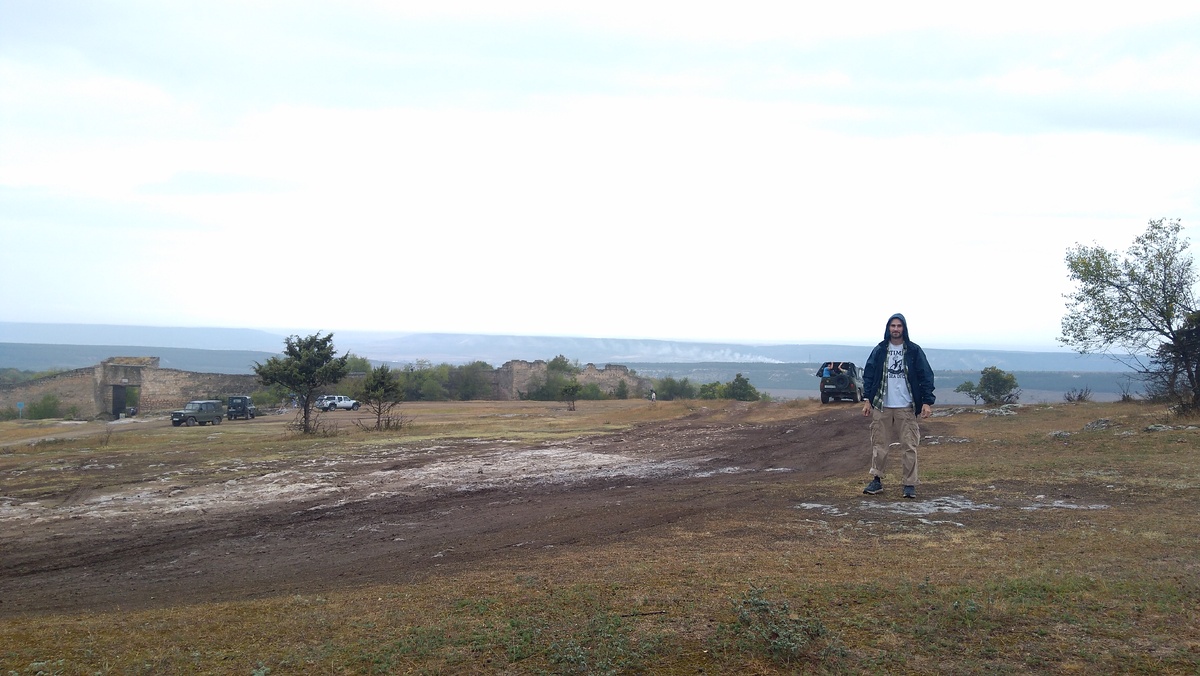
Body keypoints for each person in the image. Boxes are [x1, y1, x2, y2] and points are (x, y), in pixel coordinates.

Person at [860, 313, 936, 499]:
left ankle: (909, 484)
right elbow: (869, 375)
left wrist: (926, 401)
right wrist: (867, 400)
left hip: (906, 406)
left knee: (909, 445)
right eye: (892, 326)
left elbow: (926, 375)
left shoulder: (913, 350)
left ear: (904, 328)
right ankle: (876, 480)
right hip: (881, 405)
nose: (895, 329)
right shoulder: (880, 350)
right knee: (879, 444)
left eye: (899, 326)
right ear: (888, 328)